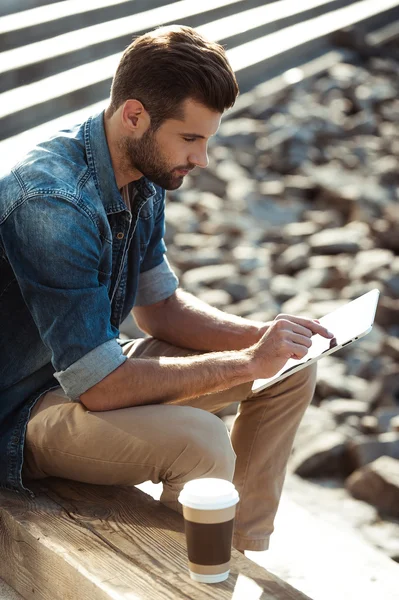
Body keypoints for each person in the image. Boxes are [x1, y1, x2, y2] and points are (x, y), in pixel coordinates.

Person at [0, 25, 333, 553]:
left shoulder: (143, 168)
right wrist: (247, 363)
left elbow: (160, 309)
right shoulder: (52, 202)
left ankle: (232, 553)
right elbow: (100, 386)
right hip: (22, 412)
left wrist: (268, 338)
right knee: (202, 445)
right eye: (190, 138)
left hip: (84, 369)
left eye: (207, 139)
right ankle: (180, 579)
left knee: (292, 370)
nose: (201, 158)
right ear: (135, 114)